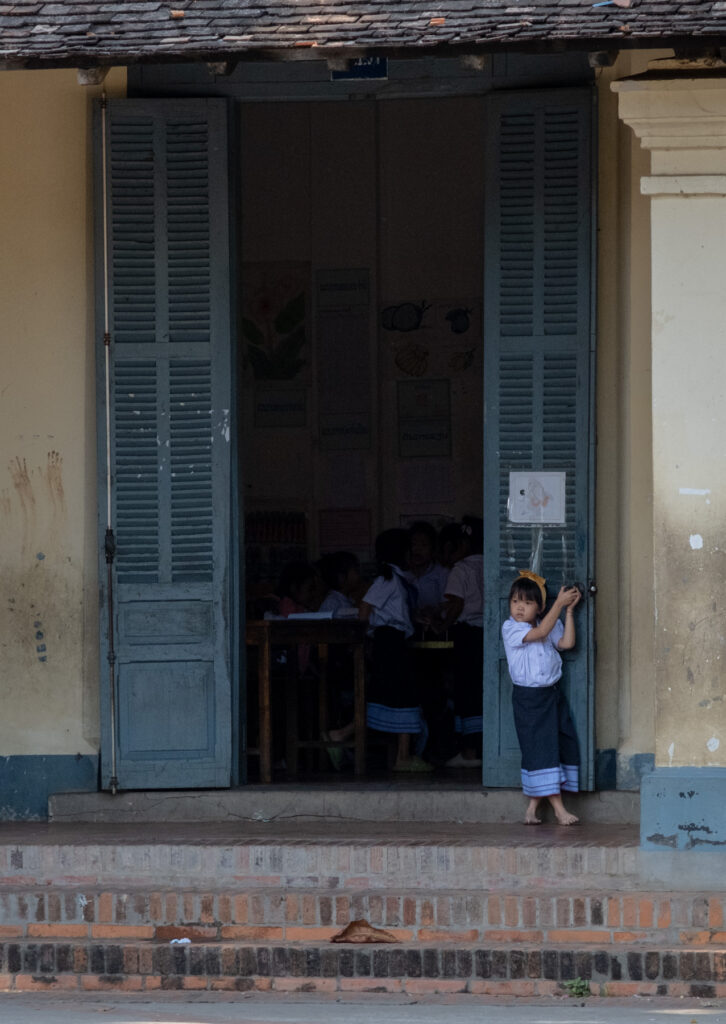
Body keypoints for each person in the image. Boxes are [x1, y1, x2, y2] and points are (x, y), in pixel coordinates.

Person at [501, 570, 581, 825]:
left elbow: (566, 643)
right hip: (529, 699)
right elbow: (539, 633)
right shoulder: (511, 628)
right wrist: (560, 603)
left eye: (527, 603)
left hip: (551, 696)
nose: (520, 608)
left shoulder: (550, 621)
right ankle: (559, 811)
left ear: (540, 606)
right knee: (542, 750)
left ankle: (531, 811)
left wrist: (567, 612)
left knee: (555, 745)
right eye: (515, 602)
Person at [360, 528, 432, 773]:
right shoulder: (387, 578)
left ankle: (401, 754)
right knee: (403, 695)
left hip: (396, 639)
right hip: (387, 641)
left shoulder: (399, 579)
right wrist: (365, 641)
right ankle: (402, 756)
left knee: (391, 695)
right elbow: (365, 608)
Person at [438, 517, 484, 768]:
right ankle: (483, 747)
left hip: (466, 634)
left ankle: (469, 752)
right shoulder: (492, 564)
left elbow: (456, 604)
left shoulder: (461, 569)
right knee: (481, 690)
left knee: (466, 691)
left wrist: (442, 625)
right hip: (487, 633)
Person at [405, 521, 449, 616]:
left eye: (424, 545)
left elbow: (447, 604)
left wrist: (434, 610)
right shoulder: (403, 573)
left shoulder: (441, 573)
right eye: (414, 544)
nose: (418, 549)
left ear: (433, 549)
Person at [318, 551, 361, 617]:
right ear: (342, 577)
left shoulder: (347, 600)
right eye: (356, 571)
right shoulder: (332, 603)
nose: (359, 575)